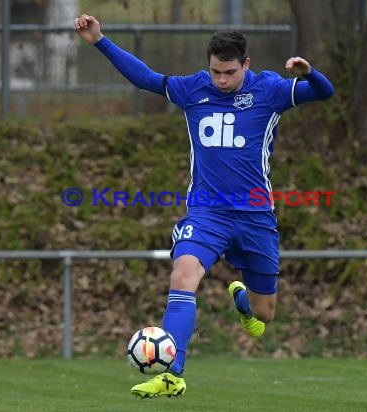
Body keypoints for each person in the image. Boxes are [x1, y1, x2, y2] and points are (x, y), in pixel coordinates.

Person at [74, 13, 334, 399]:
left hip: (255, 218)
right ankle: (172, 373)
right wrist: (100, 41)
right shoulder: (193, 89)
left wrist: (309, 74)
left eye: (229, 72)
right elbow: (145, 77)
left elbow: (324, 92)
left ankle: (242, 301)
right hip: (207, 213)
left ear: (246, 64)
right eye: (215, 72)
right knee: (182, 276)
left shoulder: (271, 91)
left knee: (265, 314)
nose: (221, 80)